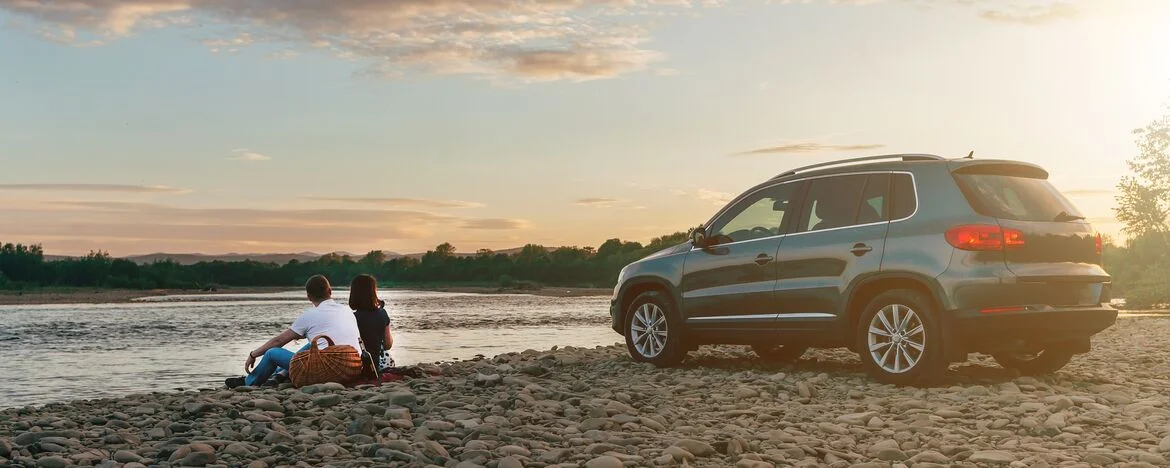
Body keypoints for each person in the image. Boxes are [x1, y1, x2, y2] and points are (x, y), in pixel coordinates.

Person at [225, 275, 362, 388]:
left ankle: (249, 381)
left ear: (309, 297)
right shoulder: (346, 310)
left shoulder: (309, 315)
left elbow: (278, 341)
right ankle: (279, 375)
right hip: (352, 366)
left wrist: (253, 354)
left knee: (272, 353)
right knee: (311, 346)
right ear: (330, 291)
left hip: (327, 369)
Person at [348, 274, 396, 372]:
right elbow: (388, 345)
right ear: (373, 292)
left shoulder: (351, 318)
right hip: (378, 366)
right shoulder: (382, 314)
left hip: (357, 366)